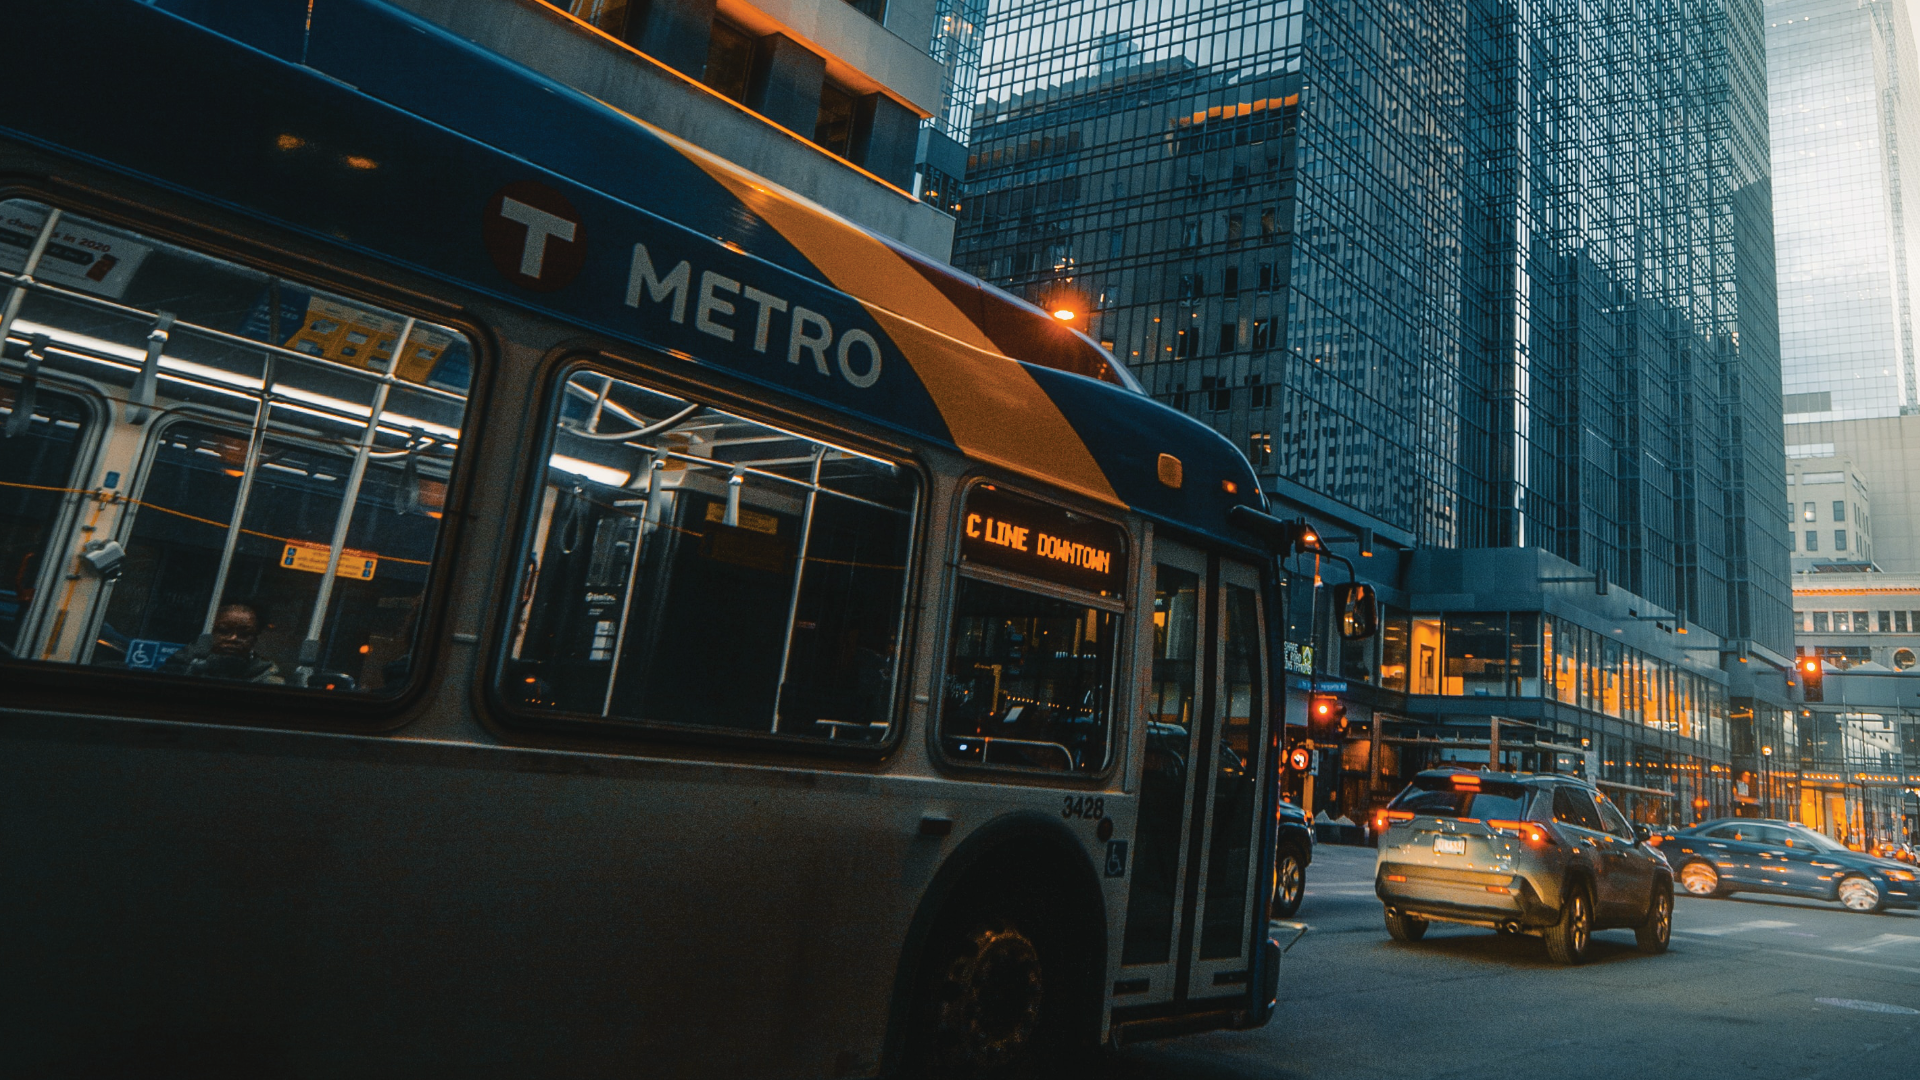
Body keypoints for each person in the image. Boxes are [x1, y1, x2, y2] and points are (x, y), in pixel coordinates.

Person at [161, 601, 283, 684]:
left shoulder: (266, 675)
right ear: (210, 633)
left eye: (245, 634)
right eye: (223, 631)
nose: (233, 638)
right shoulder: (180, 666)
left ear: (255, 638)